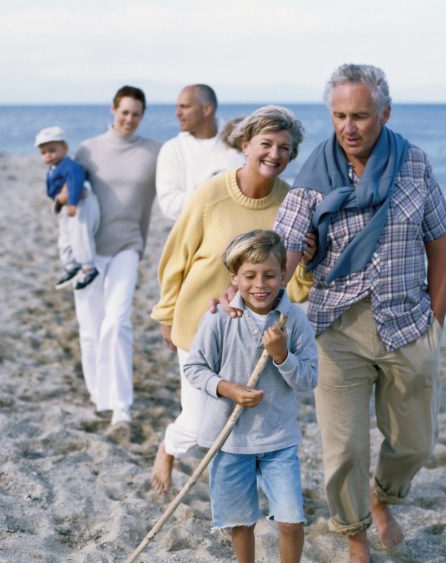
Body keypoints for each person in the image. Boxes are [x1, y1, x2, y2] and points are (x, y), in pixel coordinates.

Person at [272, 64, 446, 562]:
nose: (348, 127)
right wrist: (256, 292)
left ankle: (383, 495)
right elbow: (285, 245)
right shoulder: (312, 176)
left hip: (408, 323)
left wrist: (435, 324)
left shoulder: (414, 164)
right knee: (345, 447)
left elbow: (440, 245)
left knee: (415, 442)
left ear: (385, 113)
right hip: (335, 327)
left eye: (360, 115)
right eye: (339, 116)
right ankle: (354, 533)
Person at [150, 106, 312, 495]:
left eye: (284, 148)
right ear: (245, 144)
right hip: (198, 323)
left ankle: (239, 497)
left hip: (255, 335)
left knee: (237, 424)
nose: (275, 154)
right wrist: (167, 313)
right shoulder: (211, 193)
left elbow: (297, 285)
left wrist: (307, 255)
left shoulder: (292, 204)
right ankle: (169, 446)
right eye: (266, 144)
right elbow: (177, 255)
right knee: (199, 424)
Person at [184, 229, 317, 563]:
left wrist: (282, 355)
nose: (260, 284)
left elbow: (309, 380)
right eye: (250, 276)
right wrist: (227, 388)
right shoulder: (219, 318)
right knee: (241, 522)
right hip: (229, 441)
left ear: (283, 275)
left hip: (278, 439)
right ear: (235, 277)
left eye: (270, 275)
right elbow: (195, 367)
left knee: (291, 520)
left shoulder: (295, 320)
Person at [73, 86, 161, 426]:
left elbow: (182, 179)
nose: (129, 119)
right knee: (91, 327)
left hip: (128, 245)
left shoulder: (154, 152)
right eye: (124, 112)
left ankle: (121, 405)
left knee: (118, 321)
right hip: (89, 251)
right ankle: (100, 395)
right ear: (113, 110)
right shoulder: (88, 151)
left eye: (136, 114)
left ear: (142, 116)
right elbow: (64, 197)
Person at [155, 84, 245, 221]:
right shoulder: (172, 149)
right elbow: (170, 206)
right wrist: (215, 188)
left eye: (184, 107)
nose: (177, 113)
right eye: (177, 107)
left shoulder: (241, 140)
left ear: (206, 109)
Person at [35, 126, 101, 291]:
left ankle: (88, 267)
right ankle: (71, 265)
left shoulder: (70, 165)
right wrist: (58, 201)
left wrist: (71, 202)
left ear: (64, 149)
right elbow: (53, 190)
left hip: (79, 203)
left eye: (52, 150)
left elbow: (76, 181)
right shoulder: (53, 170)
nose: (48, 155)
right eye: (43, 152)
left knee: (80, 234)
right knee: (65, 237)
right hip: (66, 204)